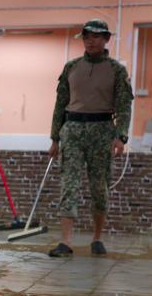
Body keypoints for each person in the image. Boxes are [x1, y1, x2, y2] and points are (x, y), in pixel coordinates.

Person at [47, 19, 132, 257]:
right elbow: (60, 104)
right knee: (69, 185)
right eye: (86, 37)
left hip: (102, 129)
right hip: (72, 129)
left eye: (96, 36)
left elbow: (124, 107)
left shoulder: (116, 70)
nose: (90, 41)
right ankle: (66, 241)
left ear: (106, 39)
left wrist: (121, 137)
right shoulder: (71, 67)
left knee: (100, 186)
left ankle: (97, 238)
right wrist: (55, 138)